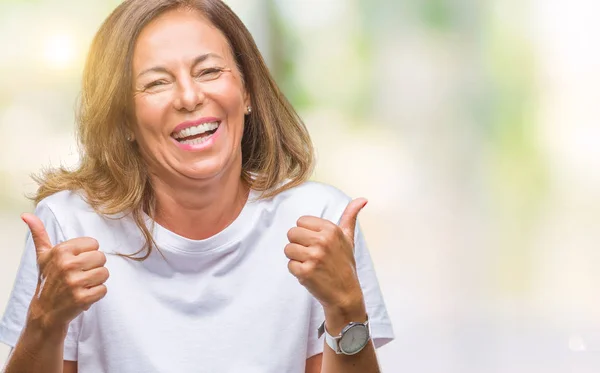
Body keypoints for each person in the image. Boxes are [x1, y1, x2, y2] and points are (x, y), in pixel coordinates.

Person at [0, 0, 394, 372]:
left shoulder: (321, 221)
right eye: (156, 83)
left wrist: (346, 306)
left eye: (209, 71)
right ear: (122, 120)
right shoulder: (70, 226)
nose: (189, 97)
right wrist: (44, 322)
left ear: (248, 92)